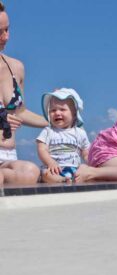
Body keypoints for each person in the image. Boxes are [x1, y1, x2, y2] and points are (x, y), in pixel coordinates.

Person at [0, 2, 48, 185]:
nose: (6, 37)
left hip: (8, 156)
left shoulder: (16, 67)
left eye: (7, 29)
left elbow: (19, 112)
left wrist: (52, 119)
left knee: (29, 172)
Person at [36, 88, 90, 183]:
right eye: (53, 110)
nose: (57, 113)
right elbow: (42, 149)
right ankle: (62, 180)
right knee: (45, 174)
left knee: (85, 168)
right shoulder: (48, 131)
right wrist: (50, 162)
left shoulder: (80, 132)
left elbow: (85, 152)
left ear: (74, 114)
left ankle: (75, 178)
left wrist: (89, 161)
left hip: (75, 168)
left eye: (62, 109)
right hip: (54, 169)